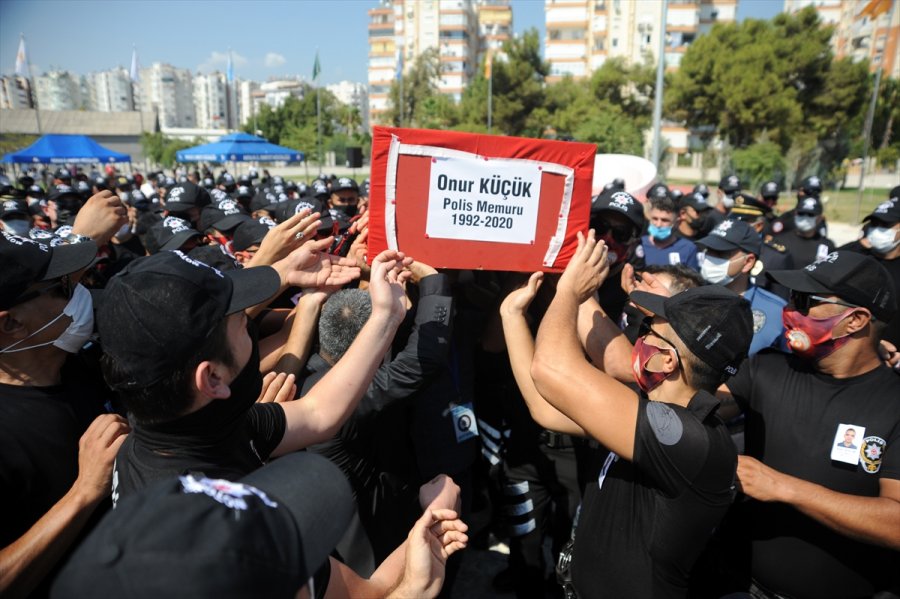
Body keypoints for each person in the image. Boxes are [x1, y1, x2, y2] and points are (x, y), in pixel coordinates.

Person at [506, 231, 753, 598]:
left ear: (667, 360)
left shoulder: (692, 438)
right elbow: (545, 408)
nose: (637, 340)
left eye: (648, 331)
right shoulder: (648, 407)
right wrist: (511, 314)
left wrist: (569, 294)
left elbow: (552, 370)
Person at [720, 250, 900, 598]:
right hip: (740, 584)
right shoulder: (767, 368)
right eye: (791, 298)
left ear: (856, 319)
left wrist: (783, 487)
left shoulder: (894, 404)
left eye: (805, 301)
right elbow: (691, 405)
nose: (790, 311)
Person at [0, 232, 129, 598]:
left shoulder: (82, 363)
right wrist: (83, 494)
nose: (79, 291)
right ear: (9, 325)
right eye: (60, 287)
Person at [696, 219, 787, 356]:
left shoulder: (777, 312)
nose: (710, 258)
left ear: (748, 262)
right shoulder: (691, 298)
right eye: (709, 251)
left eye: (721, 253)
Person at [838, 196, 900, 349]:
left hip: (891, 356)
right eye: (874, 223)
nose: (877, 229)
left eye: (885, 225)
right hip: (848, 349)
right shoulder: (852, 255)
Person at [638, 195, 700, 270]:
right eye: (655, 219)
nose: (658, 224)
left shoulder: (688, 249)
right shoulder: (639, 244)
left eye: (664, 220)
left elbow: (692, 280)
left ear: (677, 222)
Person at [772, 195, 834, 267]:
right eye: (801, 213)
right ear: (795, 214)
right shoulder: (778, 241)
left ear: (819, 218)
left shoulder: (827, 246)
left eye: (810, 214)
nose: (805, 217)